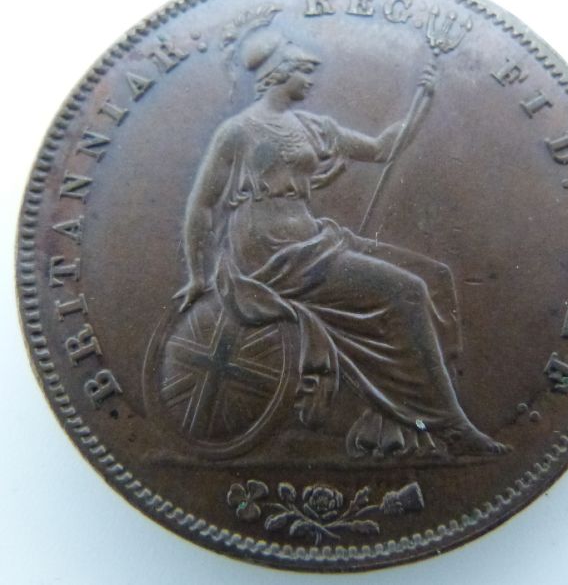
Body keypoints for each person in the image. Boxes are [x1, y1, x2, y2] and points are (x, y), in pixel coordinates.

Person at [174, 29, 507, 459]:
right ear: (279, 73)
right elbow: (201, 206)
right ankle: (449, 424)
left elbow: (382, 150)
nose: (312, 80)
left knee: (434, 276)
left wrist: (422, 101)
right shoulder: (237, 132)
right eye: (305, 71)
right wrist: (197, 275)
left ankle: (402, 417)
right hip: (268, 254)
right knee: (406, 291)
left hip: (312, 242)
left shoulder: (312, 127)